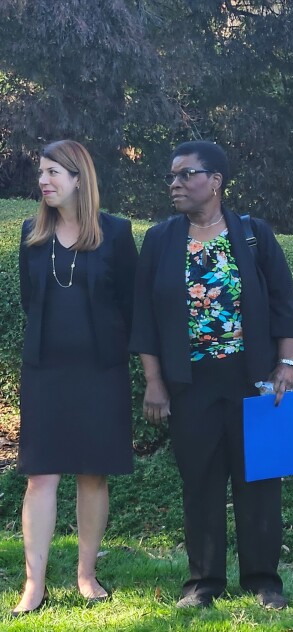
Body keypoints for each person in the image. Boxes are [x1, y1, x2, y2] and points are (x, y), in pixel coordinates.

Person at [129, 140, 293, 610]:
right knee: (201, 484)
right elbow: (144, 319)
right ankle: (203, 584)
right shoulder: (161, 239)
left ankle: (264, 582)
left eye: (186, 175)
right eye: (172, 176)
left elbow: (284, 306)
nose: (176, 184)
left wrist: (286, 366)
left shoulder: (253, 235)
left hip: (255, 382)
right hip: (191, 385)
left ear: (215, 181)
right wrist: (154, 381)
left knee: (261, 483)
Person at [15, 140, 137, 615]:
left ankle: (86, 575)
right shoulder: (32, 234)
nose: (44, 181)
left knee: (92, 473)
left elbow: (130, 304)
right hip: (45, 372)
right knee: (40, 477)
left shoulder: (117, 233)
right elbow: (31, 301)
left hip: (100, 372)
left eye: (53, 172)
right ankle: (34, 585)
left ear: (78, 178)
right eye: (41, 173)